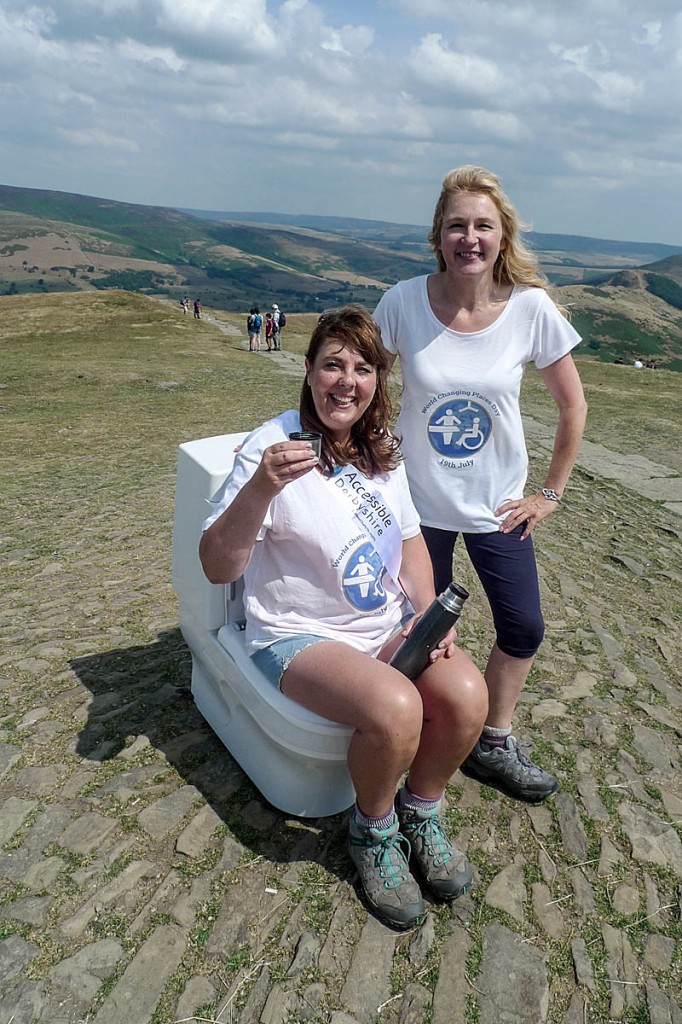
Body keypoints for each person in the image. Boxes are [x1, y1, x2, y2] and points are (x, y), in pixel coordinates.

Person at [200, 305, 488, 930]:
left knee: (468, 696)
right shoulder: (268, 448)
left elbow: (411, 545)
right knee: (396, 708)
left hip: (383, 626)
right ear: (308, 372)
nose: (347, 380)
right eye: (333, 364)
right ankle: (374, 830)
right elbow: (218, 568)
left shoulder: (380, 454)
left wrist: (429, 614)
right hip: (295, 634)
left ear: (377, 384)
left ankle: (421, 808)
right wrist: (259, 490)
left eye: (363, 369)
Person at [373, 166, 588, 805]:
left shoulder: (530, 309)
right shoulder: (403, 301)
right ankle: (412, 738)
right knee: (419, 636)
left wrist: (549, 493)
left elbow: (573, 407)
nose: (470, 237)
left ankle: (492, 741)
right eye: (457, 225)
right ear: (438, 235)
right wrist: (370, 453)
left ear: (503, 236)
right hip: (418, 507)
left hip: (498, 508)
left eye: (483, 226)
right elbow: (367, 385)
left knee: (523, 628)